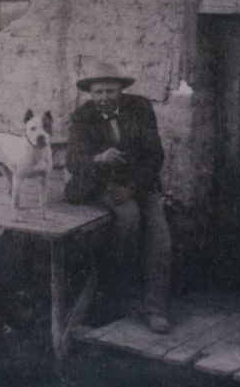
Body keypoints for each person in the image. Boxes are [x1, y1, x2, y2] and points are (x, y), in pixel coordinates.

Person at [64, 61, 173, 334]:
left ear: (121, 91)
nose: (104, 98)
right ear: (90, 93)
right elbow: (72, 161)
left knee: (160, 235)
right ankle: (120, 295)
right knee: (128, 217)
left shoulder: (140, 108)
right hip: (101, 185)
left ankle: (155, 309)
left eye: (110, 92)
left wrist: (134, 188)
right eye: (98, 92)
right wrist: (98, 158)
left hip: (138, 185)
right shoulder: (81, 117)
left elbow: (155, 154)